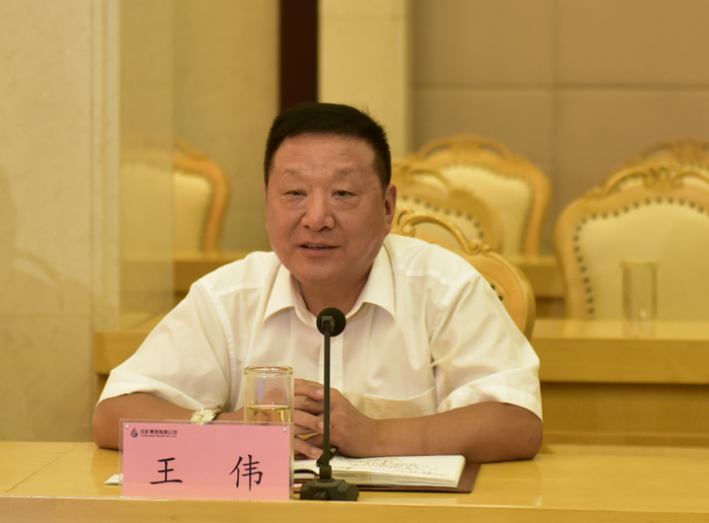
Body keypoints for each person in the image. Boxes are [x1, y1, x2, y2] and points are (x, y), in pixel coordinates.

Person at [92, 102, 542, 462]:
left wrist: (375, 435)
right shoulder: (229, 296)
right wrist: (227, 428)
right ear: (267, 206)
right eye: (294, 194)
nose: (316, 218)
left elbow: (517, 423)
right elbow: (114, 415)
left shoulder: (445, 287)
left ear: (388, 207)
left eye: (343, 193)